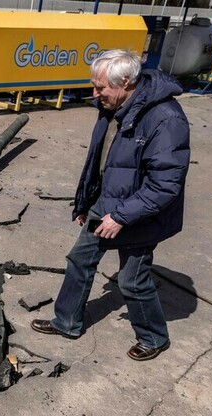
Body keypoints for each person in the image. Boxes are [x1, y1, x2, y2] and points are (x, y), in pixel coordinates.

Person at [31, 50, 190, 361]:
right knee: (80, 259)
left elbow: (164, 185)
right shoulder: (111, 107)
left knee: (132, 280)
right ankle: (66, 321)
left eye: (100, 87)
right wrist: (86, 202)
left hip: (140, 214)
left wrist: (120, 217)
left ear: (125, 82)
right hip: (106, 202)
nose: (95, 93)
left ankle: (154, 337)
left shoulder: (166, 119)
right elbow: (102, 161)